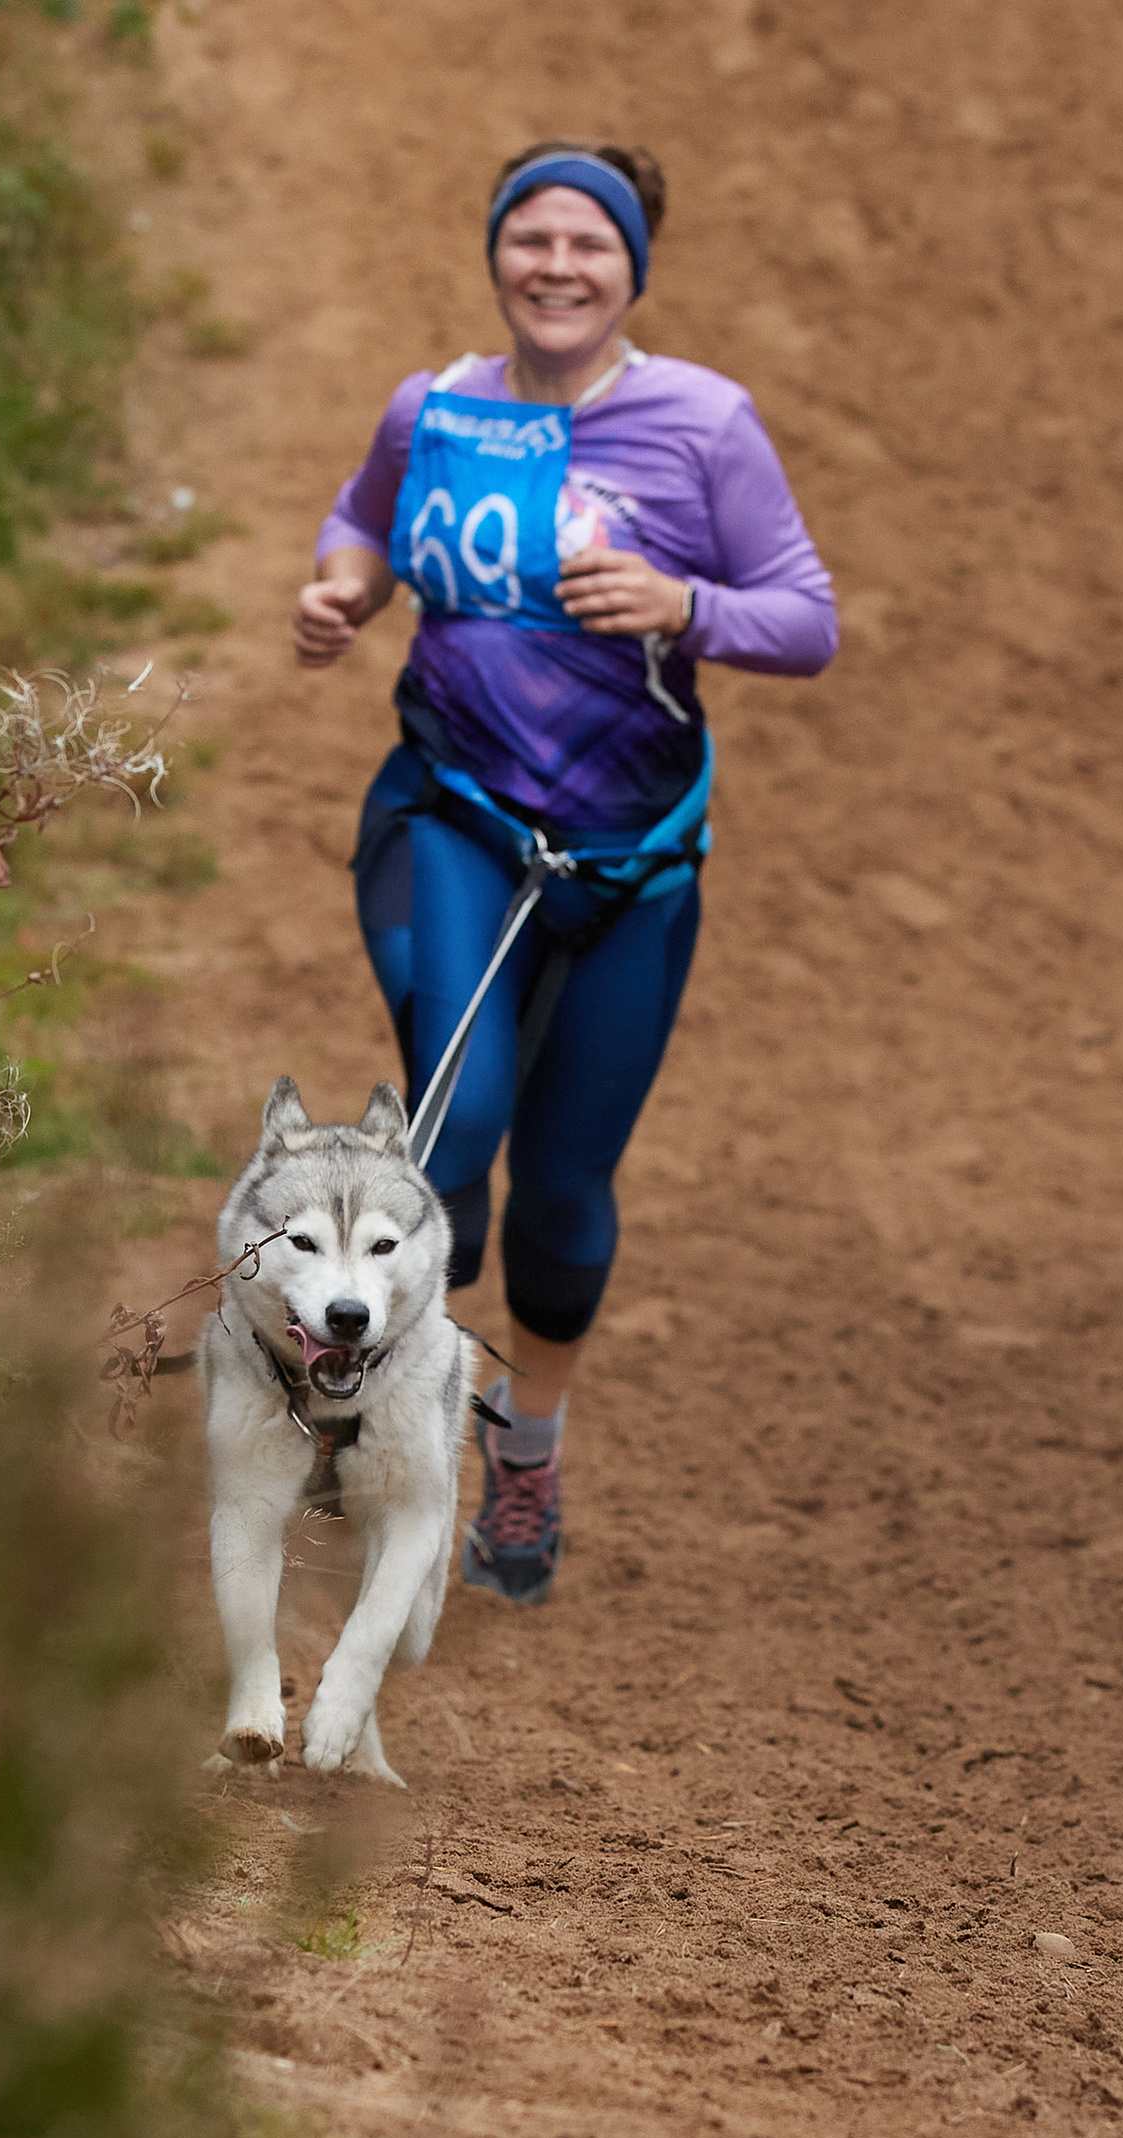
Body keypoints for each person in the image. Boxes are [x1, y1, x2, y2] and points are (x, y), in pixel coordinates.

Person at [293, 139, 837, 1604]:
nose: (556, 266)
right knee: (456, 1129)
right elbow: (362, 517)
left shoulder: (703, 425)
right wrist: (343, 588)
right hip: (453, 819)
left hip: (634, 870)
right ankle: (381, 1431)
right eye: (530, 238)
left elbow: (807, 618)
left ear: (630, 271)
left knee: (562, 1195)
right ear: (497, 256)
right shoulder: (437, 408)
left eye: (587, 245)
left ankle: (525, 1454)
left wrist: (687, 603)